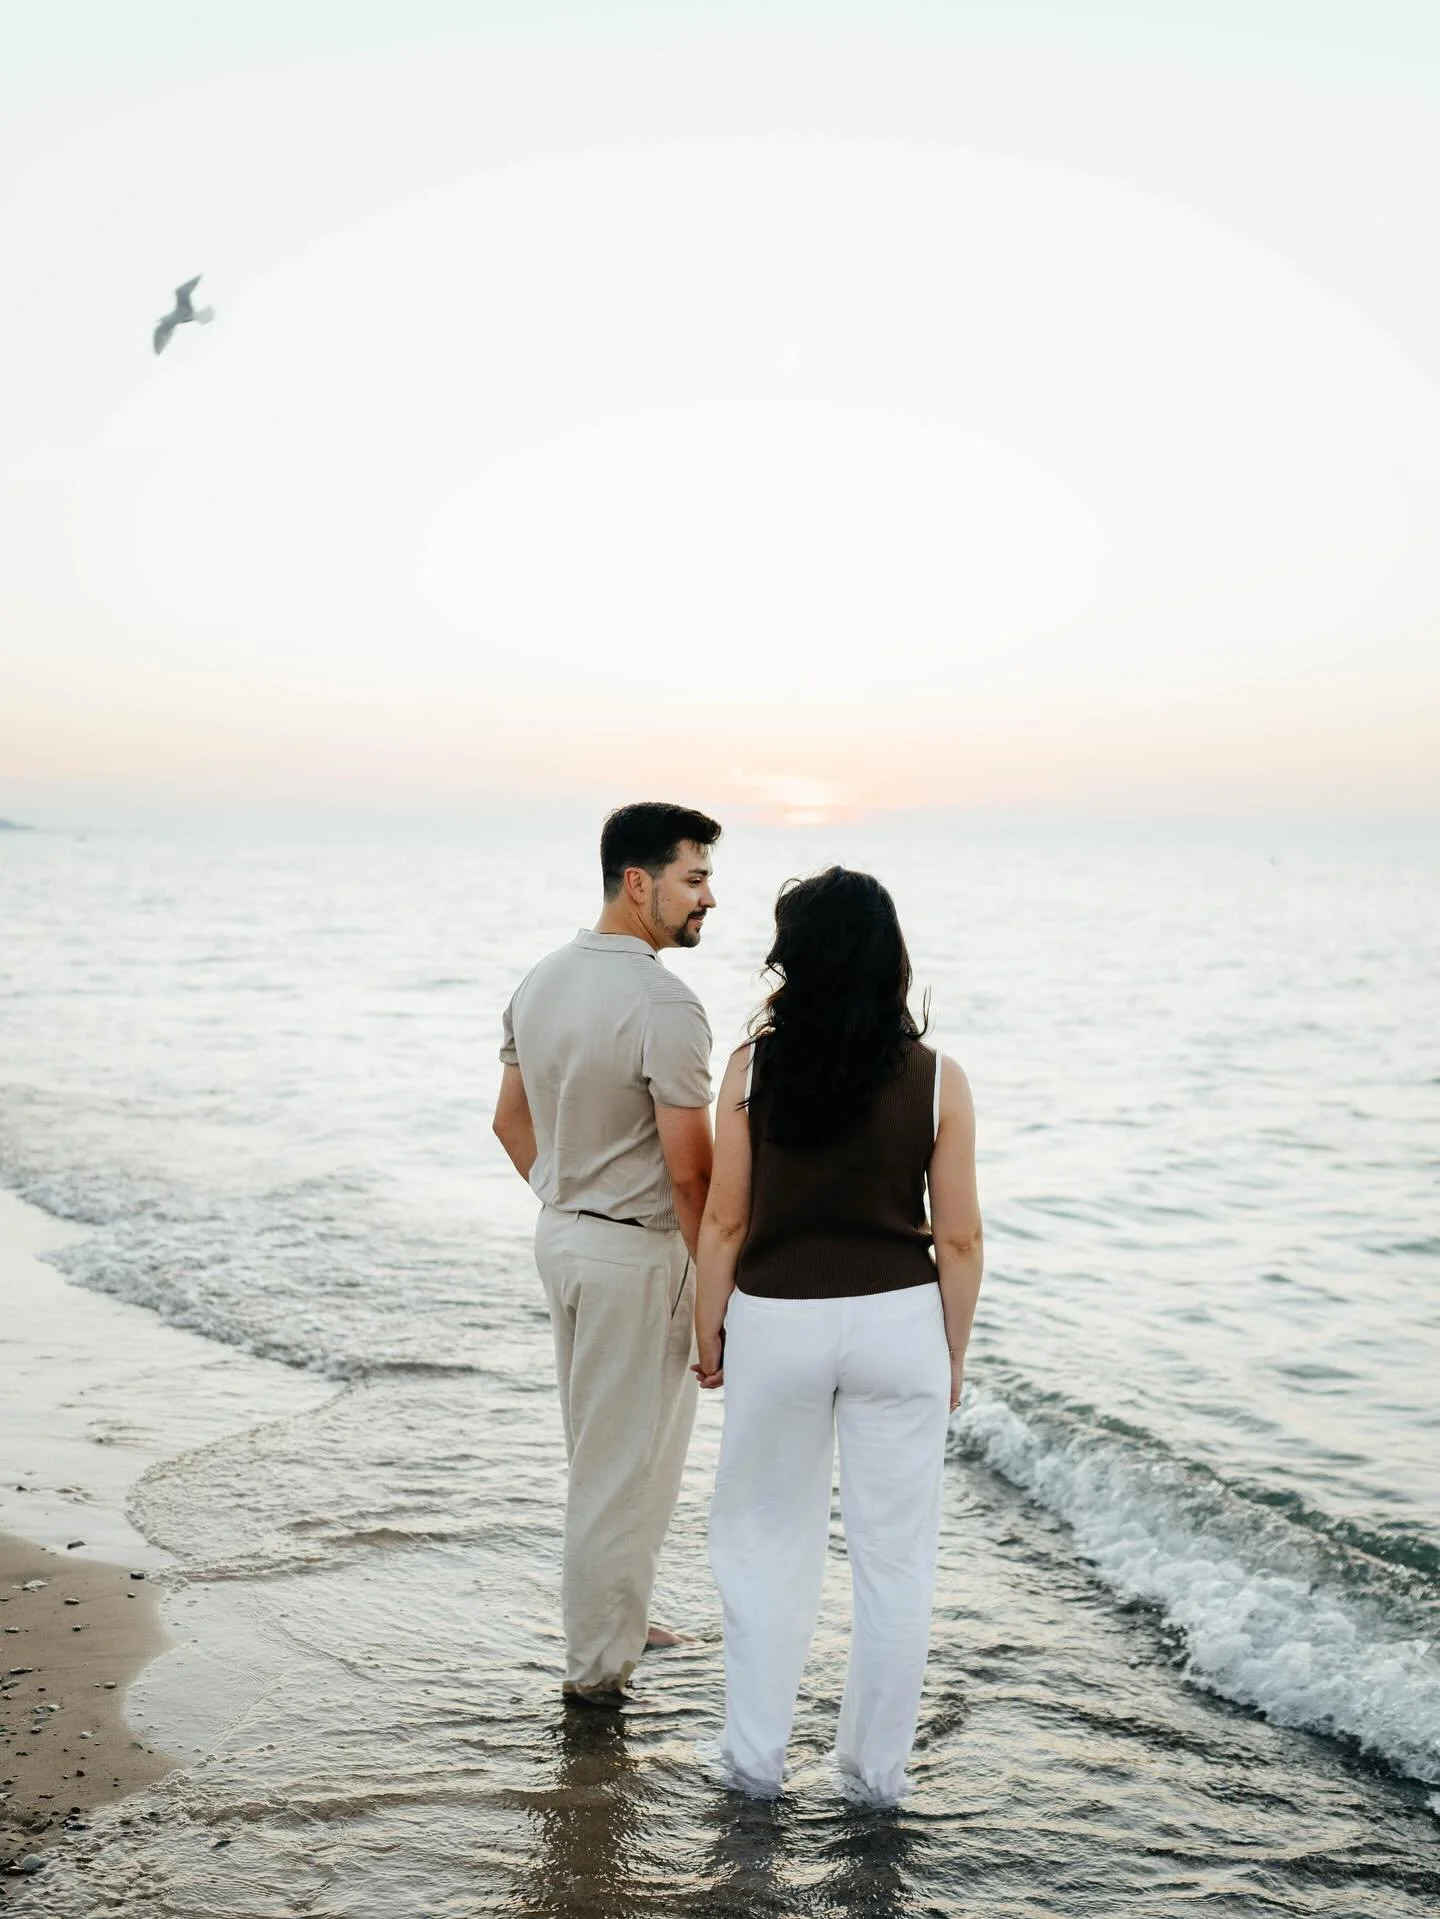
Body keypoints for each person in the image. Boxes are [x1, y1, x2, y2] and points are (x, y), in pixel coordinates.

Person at [693, 867, 983, 1804]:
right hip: (902, 1321)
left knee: (766, 1543)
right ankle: (873, 1781)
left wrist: (709, 1333)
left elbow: (725, 1222)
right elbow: (963, 1236)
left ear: (796, 956)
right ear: (889, 956)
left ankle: (754, 1767)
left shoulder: (753, 1068)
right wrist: (953, 1351)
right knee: (894, 1559)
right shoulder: (939, 1080)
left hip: (778, 1318)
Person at [492, 802, 721, 1702]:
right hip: (636, 1256)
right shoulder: (666, 1004)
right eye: (693, 878)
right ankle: (595, 1679)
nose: (709, 897)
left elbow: (510, 1123)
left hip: (565, 1238)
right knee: (622, 1472)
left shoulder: (541, 979)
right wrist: (717, 1300)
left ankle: (620, 1619)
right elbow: (693, 1175)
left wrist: (571, 1203)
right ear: (639, 882)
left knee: (608, 1456)